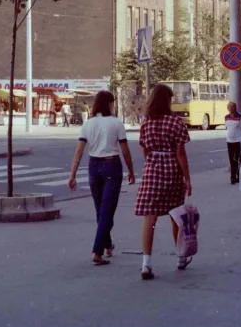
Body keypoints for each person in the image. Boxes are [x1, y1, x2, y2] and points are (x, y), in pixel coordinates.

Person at [68, 90, 135, 265]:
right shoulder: (116, 123)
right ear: (109, 104)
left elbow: (79, 151)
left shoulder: (88, 124)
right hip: (112, 166)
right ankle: (97, 252)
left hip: (93, 166)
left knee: (100, 209)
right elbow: (125, 150)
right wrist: (131, 171)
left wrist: (72, 174)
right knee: (107, 210)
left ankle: (107, 244)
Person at [134, 84, 192, 280]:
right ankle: (181, 257)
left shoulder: (146, 123)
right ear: (167, 101)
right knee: (176, 215)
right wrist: (187, 178)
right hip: (172, 170)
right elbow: (181, 154)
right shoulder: (175, 123)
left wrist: (153, 162)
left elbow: (145, 151)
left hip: (152, 170)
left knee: (149, 218)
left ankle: (146, 263)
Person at [224, 101, 241, 184]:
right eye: (229, 107)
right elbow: (228, 128)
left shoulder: (240, 117)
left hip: (238, 141)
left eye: (232, 107)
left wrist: (240, 136)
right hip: (229, 141)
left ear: (235, 108)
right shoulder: (226, 117)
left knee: (237, 159)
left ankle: (237, 176)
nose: (230, 109)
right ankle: (233, 177)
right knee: (231, 160)